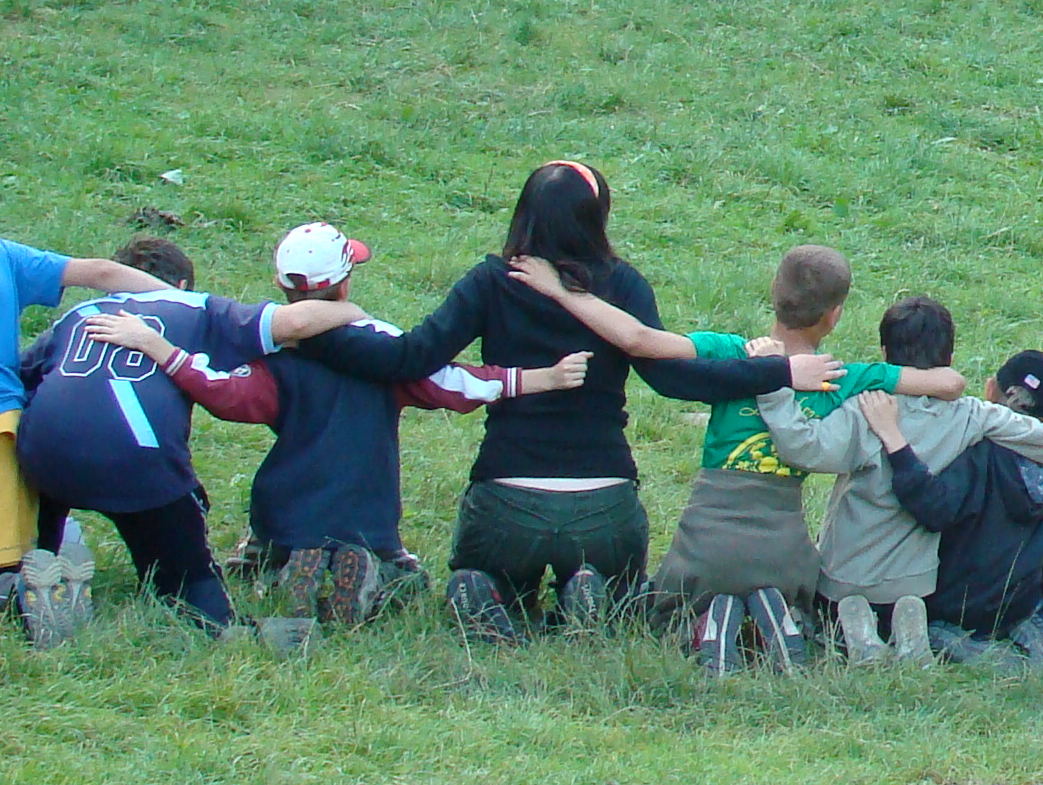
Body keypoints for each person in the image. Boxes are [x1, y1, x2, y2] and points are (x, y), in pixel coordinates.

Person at [328, 163, 835, 638]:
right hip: (602, 503)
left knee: (490, 570)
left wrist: (320, 330)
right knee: (622, 592)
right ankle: (594, 590)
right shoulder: (621, 285)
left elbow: (410, 358)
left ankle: (488, 586)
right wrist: (779, 371)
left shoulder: (491, 282)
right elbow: (676, 380)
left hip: (507, 497)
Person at [88, 220, 583, 629]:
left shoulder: (277, 353)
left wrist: (162, 350)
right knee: (408, 579)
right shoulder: (387, 350)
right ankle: (375, 569)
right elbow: (455, 383)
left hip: (285, 514)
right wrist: (542, 378)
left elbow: (226, 394)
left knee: (265, 554)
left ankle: (281, 564)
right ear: (345, 283)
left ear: (283, 286)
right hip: (367, 516)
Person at [508, 244, 968, 673]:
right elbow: (949, 383)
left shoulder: (733, 354)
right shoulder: (842, 376)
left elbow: (638, 339)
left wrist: (560, 290)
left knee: (667, 606)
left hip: (706, 543)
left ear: (774, 296)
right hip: (783, 551)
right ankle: (782, 617)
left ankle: (709, 618)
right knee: (803, 594)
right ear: (835, 316)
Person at [12, 236, 369, 637]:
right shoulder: (197, 308)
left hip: (43, 451)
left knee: (51, 463)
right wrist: (352, 310)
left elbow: (21, 378)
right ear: (182, 285)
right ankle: (209, 616)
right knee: (186, 584)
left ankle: (40, 556)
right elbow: (297, 323)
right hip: (134, 457)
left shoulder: (79, 314)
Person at [750, 294, 1043, 665]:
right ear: (949, 357)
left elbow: (803, 447)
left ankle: (851, 631)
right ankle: (903, 629)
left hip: (846, 577)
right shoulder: (971, 416)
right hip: (914, 583)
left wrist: (773, 391)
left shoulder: (866, 408)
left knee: (831, 603)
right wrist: (989, 425)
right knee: (905, 598)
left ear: (885, 352)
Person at [0, 234, 179, 637]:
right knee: (2, 556)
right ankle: (35, 583)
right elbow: (101, 272)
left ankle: (16, 595)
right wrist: (189, 304)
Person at [897, 351, 1043, 667]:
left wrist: (898, 455)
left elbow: (932, 510)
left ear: (990, 388)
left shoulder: (971, 455)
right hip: (1013, 610)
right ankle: (1028, 651)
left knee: (936, 632)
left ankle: (966, 648)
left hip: (952, 608)